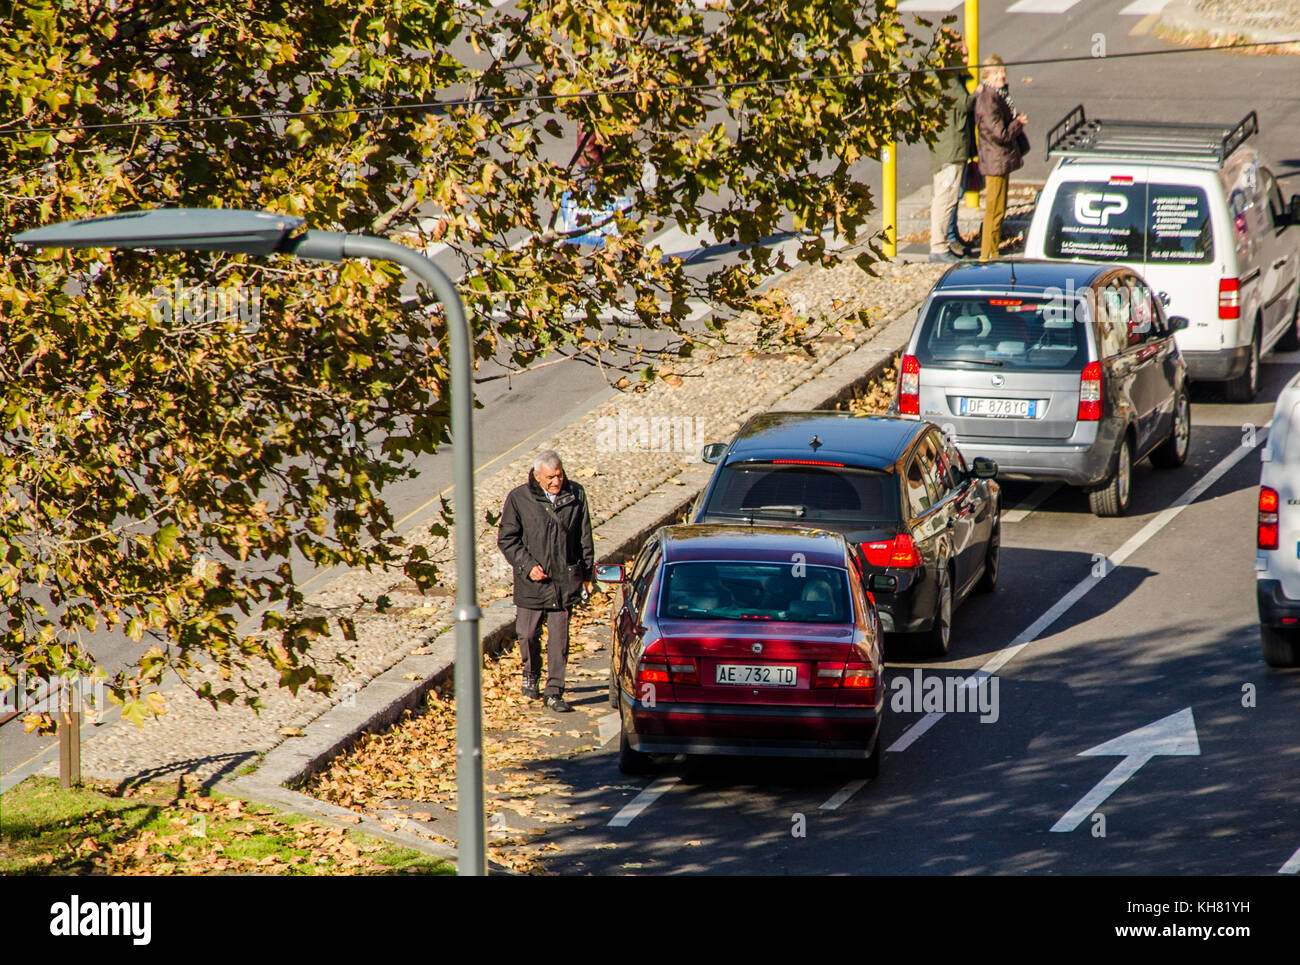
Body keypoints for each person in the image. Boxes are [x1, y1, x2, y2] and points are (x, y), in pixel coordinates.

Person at [497, 450, 594, 712]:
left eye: (560, 475)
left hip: (565, 581)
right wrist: (528, 566)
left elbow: (584, 536)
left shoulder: (576, 494)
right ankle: (532, 671)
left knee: (559, 641)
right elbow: (507, 539)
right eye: (551, 477)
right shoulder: (519, 498)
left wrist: (587, 575)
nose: (556, 481)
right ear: (537, 476)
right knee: (527, 634)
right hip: (532, 583)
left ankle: (554, 691)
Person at [973, 54, 1028, 261]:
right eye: (996, 72)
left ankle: (992, 251)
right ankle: (987, 255)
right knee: (993, 210)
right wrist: (1018, 124)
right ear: (987, 75)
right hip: (995, 160)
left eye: (1002, 71)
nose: (1002, 75)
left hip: (1000, 159)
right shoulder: (988, 100)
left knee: (1000, 209)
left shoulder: (997, 94)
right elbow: (1001, 133)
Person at [928, 34, 975, 262]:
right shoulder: (947, 78)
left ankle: (945, 240)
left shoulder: (946, 75)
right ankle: (938, 247)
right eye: (962, 52)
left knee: (948, 196)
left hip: (949, 148)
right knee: (945, 198)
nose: (967, 56)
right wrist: (983, 91)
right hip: (950, 149)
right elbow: (965, 104)